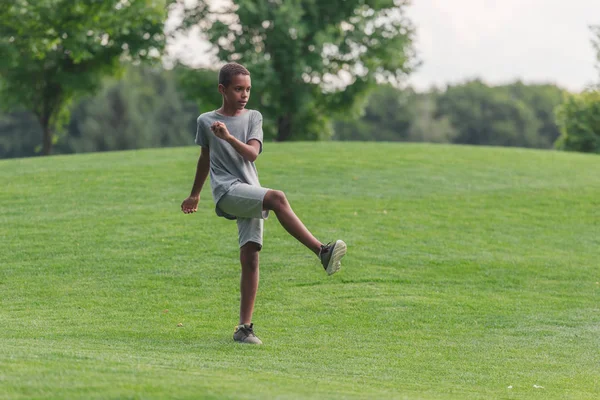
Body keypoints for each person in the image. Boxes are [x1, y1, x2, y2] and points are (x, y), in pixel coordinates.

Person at [181, 62, 346, 345]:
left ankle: (244, 328)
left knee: (251, 256)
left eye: (247, 89)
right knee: (278, 197)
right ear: (222, 89)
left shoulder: (253, 117)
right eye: (237, 89)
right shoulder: (205, 121)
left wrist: (229, 137)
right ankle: (321, 251)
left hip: (249, 189)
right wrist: (195, 194)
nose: (244, 94)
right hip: (227, 192)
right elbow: (204, 159)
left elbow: (252, 154)